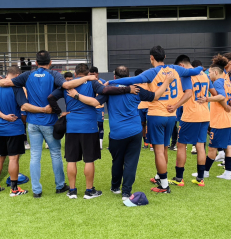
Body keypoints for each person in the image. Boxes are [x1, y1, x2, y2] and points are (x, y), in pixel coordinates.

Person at [0, 50, 98, 198]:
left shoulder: (28, 75)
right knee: (55, 154)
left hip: (32, 122)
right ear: (50, 62)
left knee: (35, 155)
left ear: (35, 63)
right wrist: (90, 78)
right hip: (49, 121)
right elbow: (67, 85)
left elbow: (7, 82)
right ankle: (60, 186)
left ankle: (36, 190)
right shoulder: (53, 74)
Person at [108, 45, 202, 194]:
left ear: (151, 57)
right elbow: (195, 70)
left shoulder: (151, 72)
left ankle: (164, 186)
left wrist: (111, 82)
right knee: (164, 148)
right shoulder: (175, 69)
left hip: (156, 114)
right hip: (172, 115)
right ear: (164, 57)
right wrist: (203, 68)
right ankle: (160, 176)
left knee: (158, 150)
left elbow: (132, 80)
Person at [69, 65, 173, 200]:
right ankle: (126, 192)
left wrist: (76, 95)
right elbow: (155, 96)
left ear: (114, 77)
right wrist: (166, 82)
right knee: (131, 162)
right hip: (135, 131)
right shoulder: (136, 89)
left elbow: (94, 102)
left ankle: (115, 187)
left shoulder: (109, 91)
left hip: (117, 133)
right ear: (129, 77)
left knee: (117, 161)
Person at [48, 63, 139, 200]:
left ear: (75, 73)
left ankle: (72, 191)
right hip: (89, 127)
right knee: (89, 160)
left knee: (71, 160)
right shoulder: (92, 83)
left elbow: (50, 98)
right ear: (88, 73)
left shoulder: (67, 85)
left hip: (72, 126)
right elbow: (107, 91)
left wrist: (60, 112)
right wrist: (127, 89)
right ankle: (89, 191)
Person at [0, 66, 53, 196]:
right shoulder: (16, 88)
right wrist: (44, 109)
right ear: (17, 76)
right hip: (14, 128)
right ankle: (14, 189)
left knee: (0, 157)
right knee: (13, 159)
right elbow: (24, 106)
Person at [169, 55, 217, 187]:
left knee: (181, 145)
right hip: (204, 115)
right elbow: (215, 93)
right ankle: (200, 178)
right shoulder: (205, 75)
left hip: (191, 115)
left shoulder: (186, 75)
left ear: (182, 65)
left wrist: (175, 106)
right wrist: (206, 99)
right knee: (200, 145)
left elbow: (189, 93)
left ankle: (179, 178)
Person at [194, 54, 231, 180]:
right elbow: (229, 99)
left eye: (210, 72)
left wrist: (207, 98)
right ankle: (227, 173)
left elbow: (221, 97)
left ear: (216, 72)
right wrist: (228, 107)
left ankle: (205, 172)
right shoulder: (227, 82)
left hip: (220, 121)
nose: (209, 74)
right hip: (230, 119)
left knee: (212, 148)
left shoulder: (218, 82)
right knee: (229, 146)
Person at [134, 68, 152, 150]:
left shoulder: (148, 83)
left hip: (148, 107)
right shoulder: (135, 85)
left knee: (149, 125)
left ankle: (151, 143)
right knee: (142, 125)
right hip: (139, 107)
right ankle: (145, 143)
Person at [89, 66, 106, 150]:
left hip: (99, 107)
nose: (92, 76)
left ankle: (100, 144)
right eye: (91, 74)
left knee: (100, 124)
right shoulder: (88, 82)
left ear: (97, 74)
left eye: (94, 74)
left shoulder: (103, 82)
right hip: (90, 107)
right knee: (91, 124)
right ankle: (92, 142)